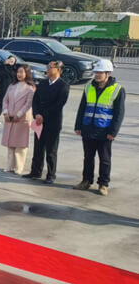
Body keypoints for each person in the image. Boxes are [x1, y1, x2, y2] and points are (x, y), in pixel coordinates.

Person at [73, 59, 125, 196]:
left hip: (105, 130)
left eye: (100, 73)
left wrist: (113, 132)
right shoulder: (88, 87)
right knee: (88, 157)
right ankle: (86, 181)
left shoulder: (117, 89)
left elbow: (119, 113)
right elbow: (82, 108)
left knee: (105, 159)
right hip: (88, 128)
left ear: (108, 74)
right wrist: (78, 126)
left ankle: (103, 184)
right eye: (96, 72)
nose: (97, 75)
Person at [24, 61, 69, 184]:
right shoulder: (42, 83)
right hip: (39, 121)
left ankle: (51, 175)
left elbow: (59, 104)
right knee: (38, 147)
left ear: (58, 70)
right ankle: (35, 171)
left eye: (50, 67)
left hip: (53, 122)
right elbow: (35, 100)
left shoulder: (63, 85)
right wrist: (37, 114)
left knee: (51, 150)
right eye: (47, 67)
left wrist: (44, 116)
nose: (48, 69)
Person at [1, 65, 36, 175]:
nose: (19, 74)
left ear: (27, 73)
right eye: (18, 72)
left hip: (21, 119)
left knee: (20, 145)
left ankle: (19, 167)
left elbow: (28, 104)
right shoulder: (12, 86)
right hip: (10, 117)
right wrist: (5, 112)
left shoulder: (30, 88)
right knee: (10, 142)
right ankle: (9, 165)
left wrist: (19, 114)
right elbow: (5, 100)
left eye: (22, 72)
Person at [0, 55, 19, 120]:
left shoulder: (15, 69)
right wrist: (4, 64)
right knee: (1, 103)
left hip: (12, 89)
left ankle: (10, 118)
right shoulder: (3, 68)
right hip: (3, 87)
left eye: (12, 61)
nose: (11, 62)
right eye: (10, 60)